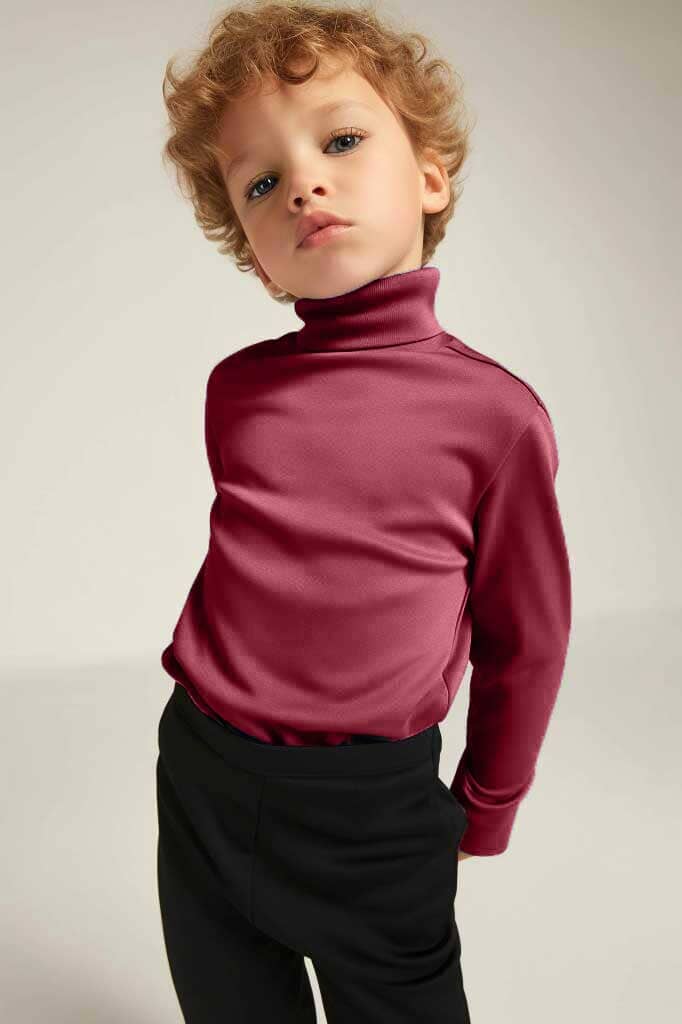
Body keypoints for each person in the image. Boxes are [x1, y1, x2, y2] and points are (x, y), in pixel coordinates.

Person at [155, 2, 572, 1021]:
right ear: (257, 256)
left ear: (429, 177)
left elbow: (526, 637)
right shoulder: (236, 392)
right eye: (261, 183)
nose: (303, 182)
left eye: (340, 141)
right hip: (203, 773)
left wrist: (486, 804)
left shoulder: (496, 417)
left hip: (372, 813)